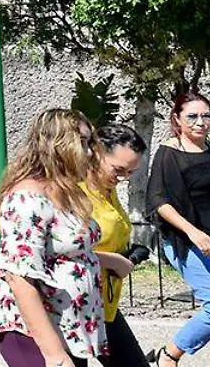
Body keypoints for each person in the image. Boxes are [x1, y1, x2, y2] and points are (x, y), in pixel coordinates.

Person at [0, 108, 107, 367]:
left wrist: (110, 261)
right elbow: (19, 277)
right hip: (29, 327)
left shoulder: (66, 190)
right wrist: (54, 355)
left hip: (68, 322)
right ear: (58, 146)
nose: (90, 152)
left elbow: (66, 250)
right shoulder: (26, 198)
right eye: (82, 143)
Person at [147, 92, 210, 367]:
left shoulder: (209, 149)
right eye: (192, 116)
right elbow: (159, 201)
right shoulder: (169, 153)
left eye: (206, 115)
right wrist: (193, 231)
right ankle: (169, 355)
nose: (200, 122)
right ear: (177, 119)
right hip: (188, 241)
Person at [81, 123, 148, 367]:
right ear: (96, 153)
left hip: (104, 305)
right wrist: (114, 261)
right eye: (118, 170)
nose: (123, 179)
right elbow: (63, 253)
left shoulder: (107, 190)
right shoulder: (75, 194)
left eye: (130, 173)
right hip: (75, 304)